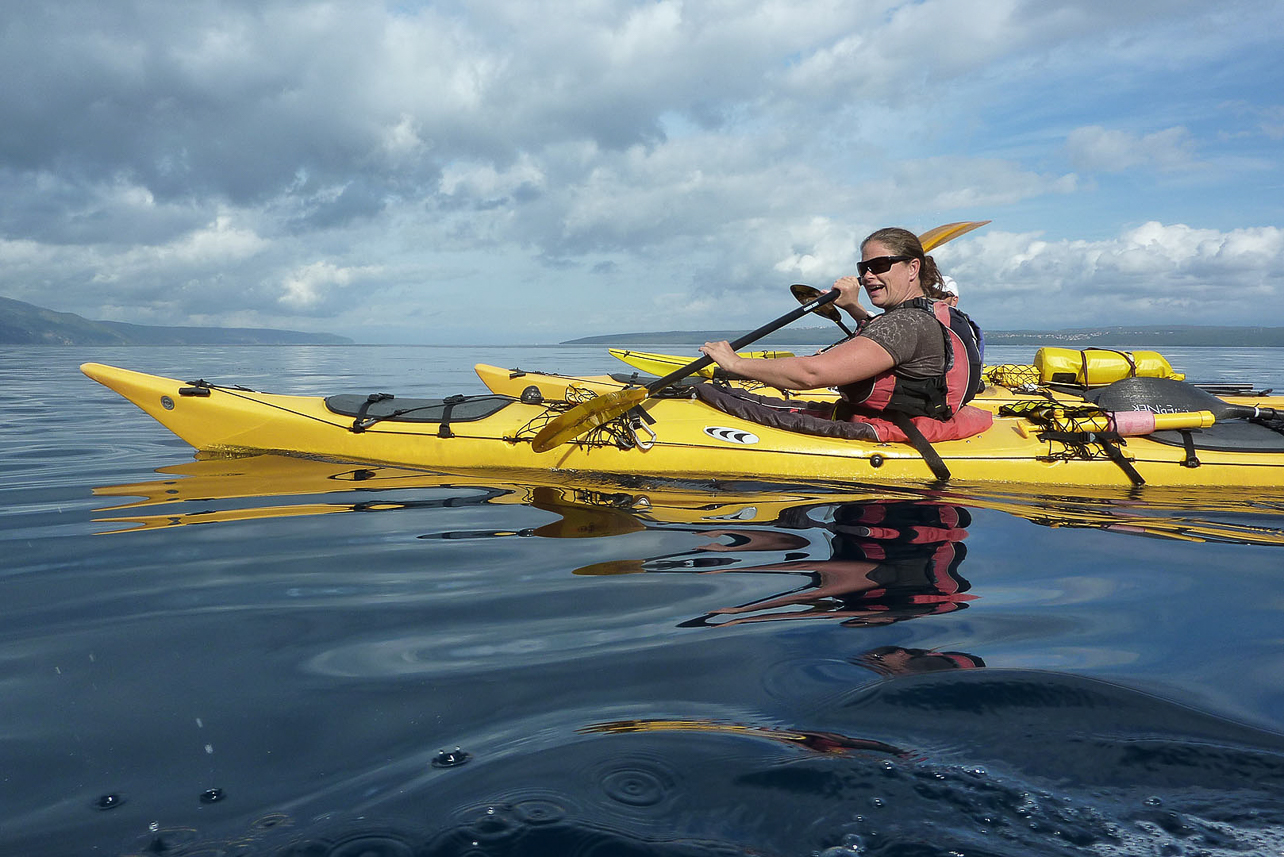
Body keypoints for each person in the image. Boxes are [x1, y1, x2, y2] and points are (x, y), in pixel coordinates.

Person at [698, 227, 987, 444]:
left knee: (714, 395)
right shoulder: (926, 314)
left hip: (891, 430)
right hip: (915, 421)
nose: (869, 276)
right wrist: (852, 306)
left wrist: (735, 364)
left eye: (880, 266)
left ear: (913, 267)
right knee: (723, 396)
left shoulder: (907, 323)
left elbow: (811, 374)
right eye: (864, 268)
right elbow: (890, 342)